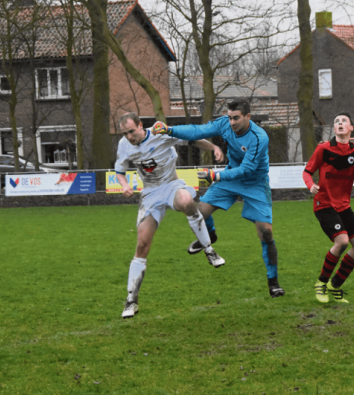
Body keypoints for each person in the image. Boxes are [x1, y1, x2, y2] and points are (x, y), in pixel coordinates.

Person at [151, 99, 285, 298]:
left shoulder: (259, 137)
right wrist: (169, 130)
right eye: (230, 118)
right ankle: (210, 235)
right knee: (199, 214)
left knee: (266, 232)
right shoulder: (224, 124)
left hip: (255, 183)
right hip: (230, 176)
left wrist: (216, 176)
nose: (232, 122)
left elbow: (247, 169)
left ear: (248, 117)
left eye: (236, 118)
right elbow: (197, 131)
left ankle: (273, 282)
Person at [115, 112, 225, 319]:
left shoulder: (160, 134)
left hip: (171, 185)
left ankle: (209, 250)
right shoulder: (123, 145)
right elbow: (119, 170)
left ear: (140, 125)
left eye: (131, 131)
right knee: (141, 245)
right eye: (125, 133)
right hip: (150, 193)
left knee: (186, 201)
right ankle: (131, 300)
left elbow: (192, 139)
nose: (129, 136)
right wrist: (124, 186)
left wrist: (214, 147)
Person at [302, 113, 354, 303]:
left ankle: (334, 285)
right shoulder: (324, 149)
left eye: (344, 121)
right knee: (342, 241)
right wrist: (310, 185)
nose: (340, 123)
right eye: (336, 122)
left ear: (351, 128)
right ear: (334, 129)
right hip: (324, 204)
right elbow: (307, 171)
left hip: (343, 206)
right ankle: (321, 283)